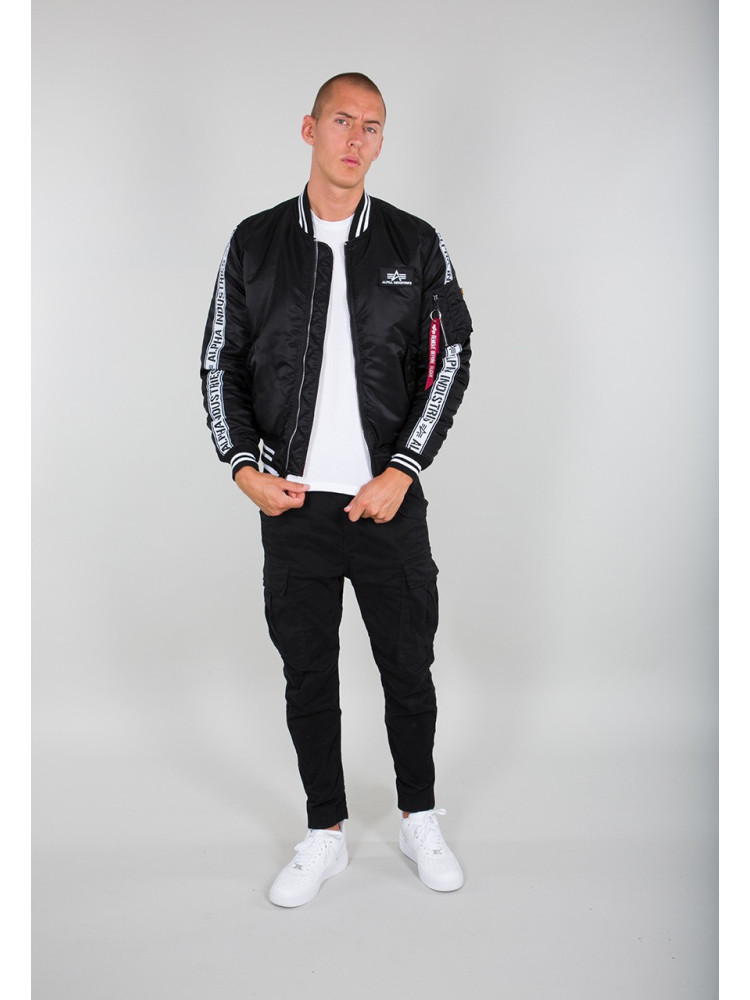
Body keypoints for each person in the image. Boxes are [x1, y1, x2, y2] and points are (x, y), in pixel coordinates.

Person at [200, 72, 472, 907]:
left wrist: (403, 469)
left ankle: (420, 817)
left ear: (382, 142)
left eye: (373, 127)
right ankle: (324, 832)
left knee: (408, 670)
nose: (357, 139)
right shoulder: (254, 243)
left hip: (387, 501)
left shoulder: (414, 244)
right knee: (308, 676)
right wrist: (243, 467)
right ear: (310, 129)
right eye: (343, 121)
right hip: (293, 507)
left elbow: (452, 358)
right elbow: (219, 361)